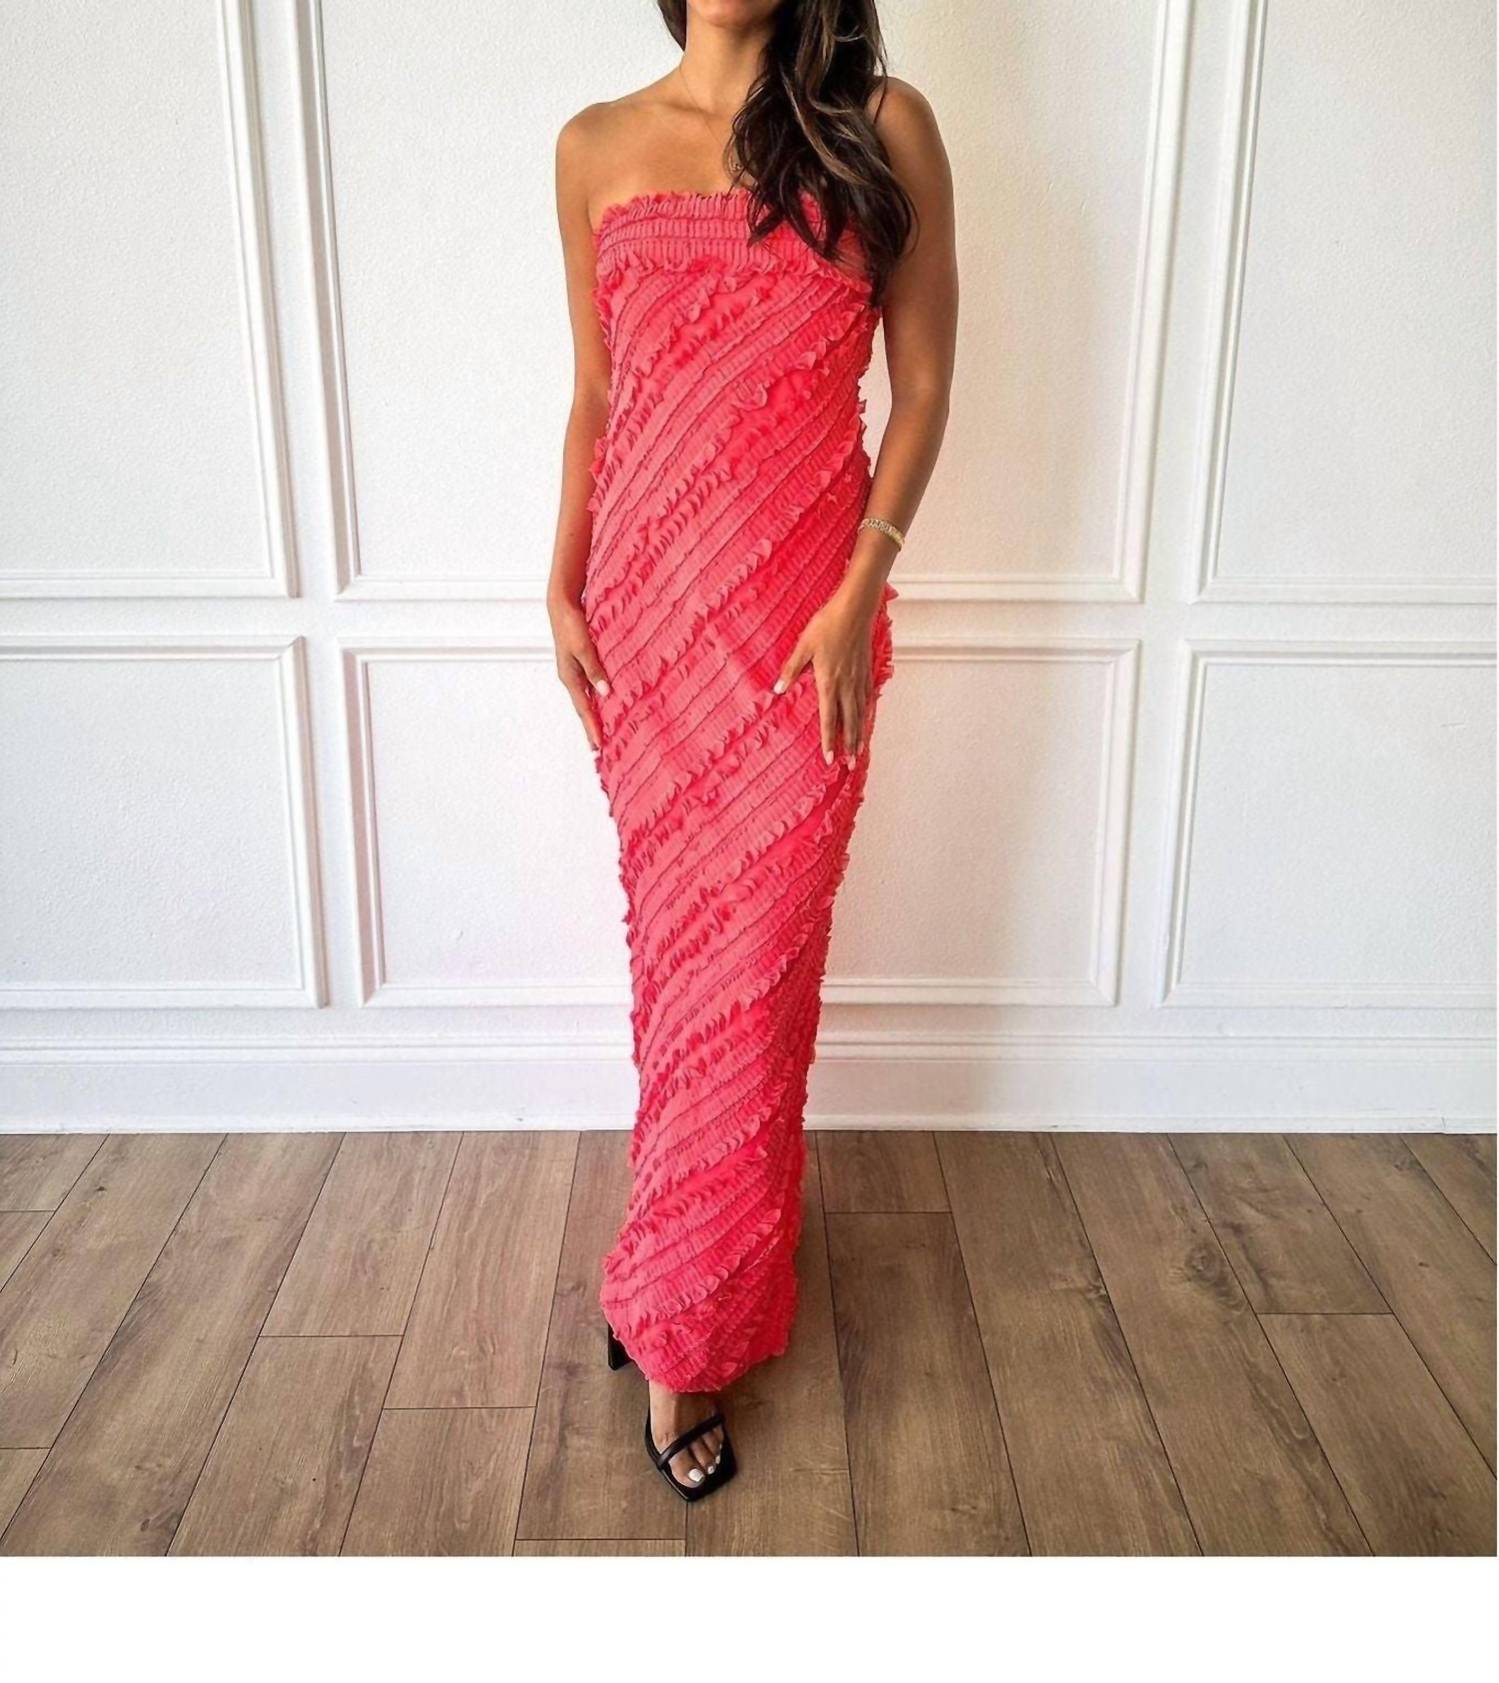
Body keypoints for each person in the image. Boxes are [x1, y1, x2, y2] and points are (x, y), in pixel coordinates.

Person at [546, 0, 957, 1502]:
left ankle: (679, 1306)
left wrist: (861, 592)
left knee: (757, 985)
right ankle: (675, 1303)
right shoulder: (594, 146)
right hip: (647, 631)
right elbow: (600, 398)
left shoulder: (880, 126)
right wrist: (559, 580)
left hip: (803, 645)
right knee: (679, 982)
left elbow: (923, 386)